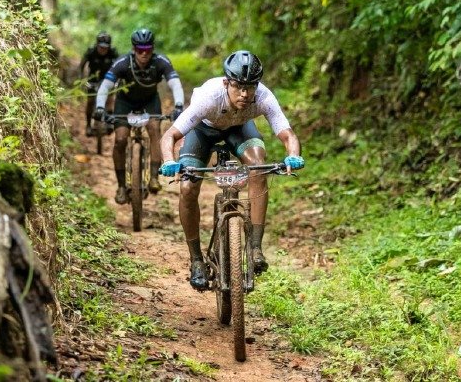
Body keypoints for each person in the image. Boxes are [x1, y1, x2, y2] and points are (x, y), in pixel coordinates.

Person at [158, 50, 304, 290]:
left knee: (258, 167)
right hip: (202, 132)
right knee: (187, 187)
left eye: (251, 87)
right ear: (227, 83)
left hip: (239, 128)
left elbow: (288, 134)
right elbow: (170, 135)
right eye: (238, 87)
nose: (245, 95)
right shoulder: (209, 97)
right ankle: (196, 260)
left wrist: (293, 155)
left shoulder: (264, 97)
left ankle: (255, 247)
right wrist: (168, 160)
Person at [94, 28, 185, 204]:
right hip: (125, 102)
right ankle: (121, 186)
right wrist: (99, 107)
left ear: (153, 49)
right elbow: (105, 86)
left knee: (154, 129)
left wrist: (179, 105)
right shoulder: (122, 62)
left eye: (148, 49)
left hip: (150, 102)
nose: (144, 54)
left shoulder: (161, 61)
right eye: (140, 50)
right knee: (120, 139)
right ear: (133, 49)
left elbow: (175, 84)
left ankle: (153, 178)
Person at [79, 31, 119, 137]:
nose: (103, 50)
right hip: (93, 79)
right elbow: (81, 66)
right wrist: (82, 80)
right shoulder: (91, 52)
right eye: (101, 47)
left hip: (108, 79)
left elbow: (119, 67)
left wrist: (118, 81)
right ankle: (88, 125)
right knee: (90, 101)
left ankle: (110, 122)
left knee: (110, 100)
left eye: (105, 47)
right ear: (97, 45)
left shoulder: (113, 53)